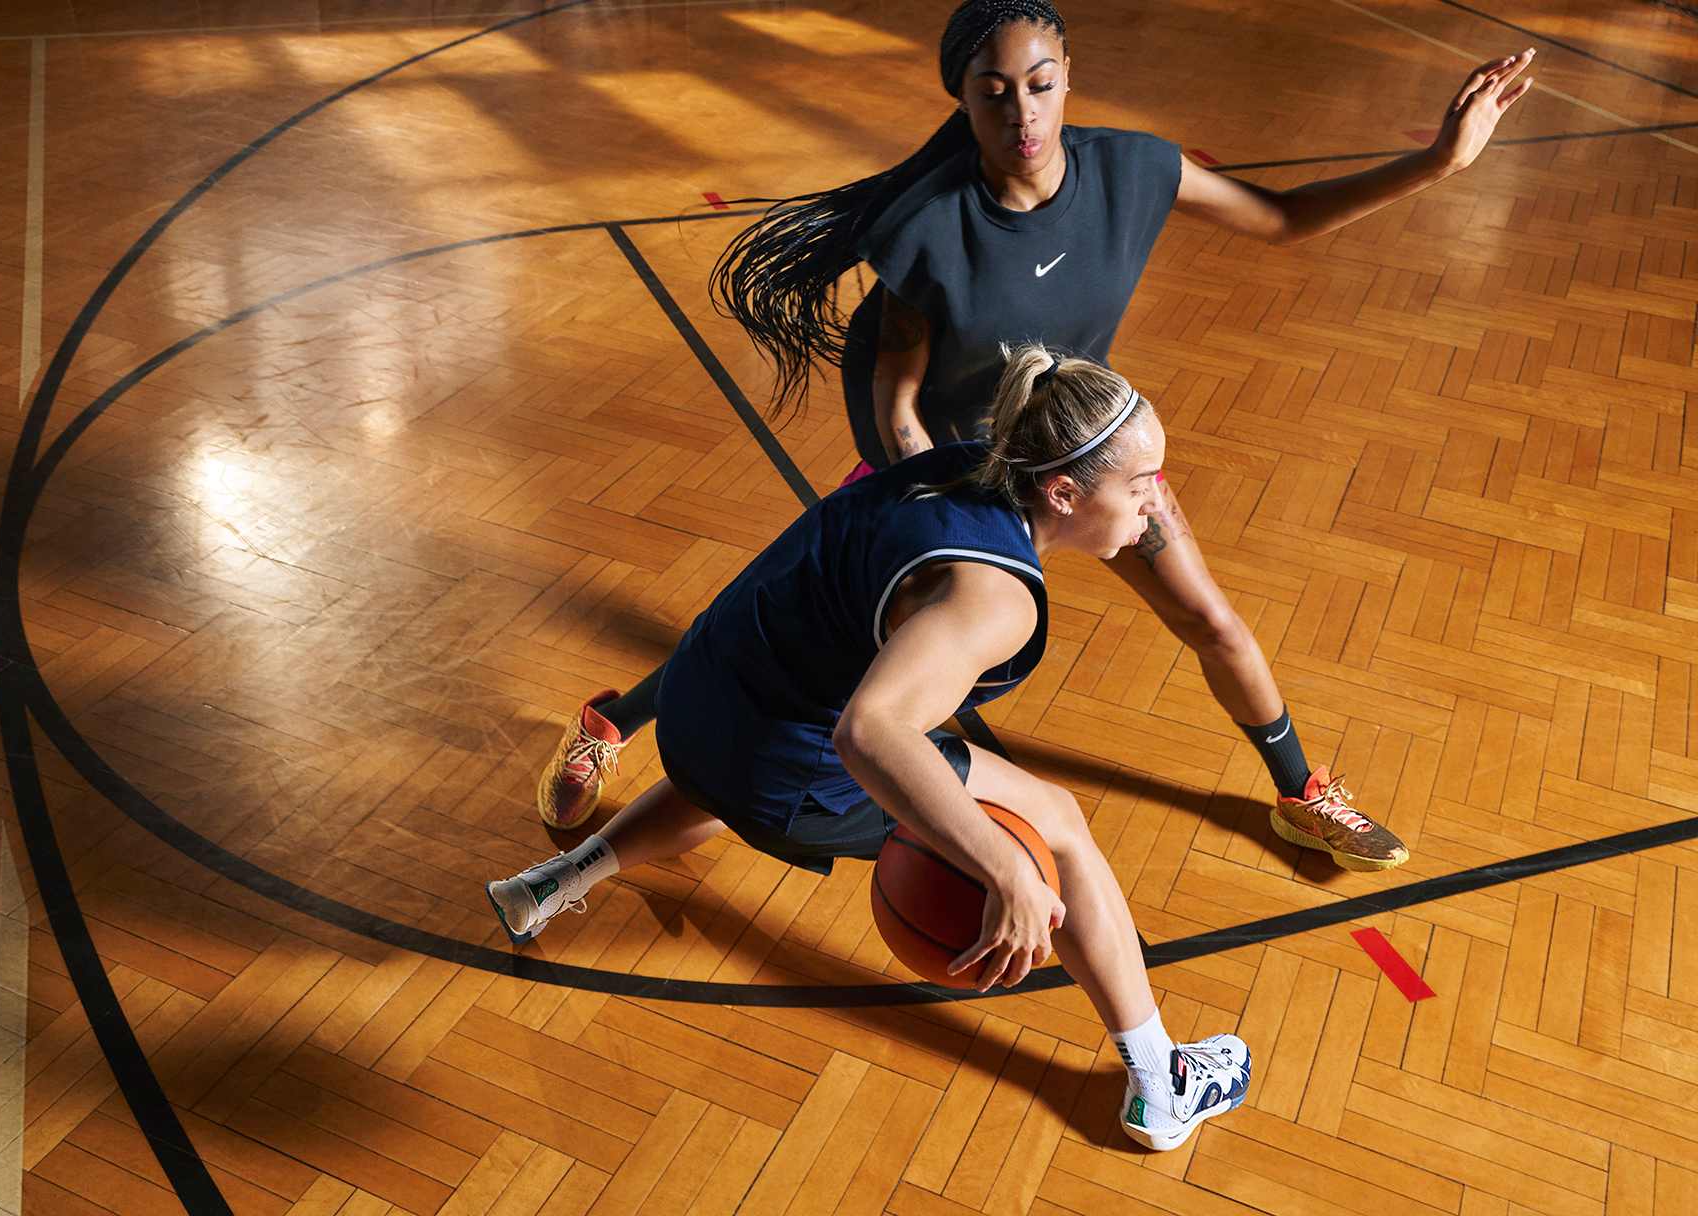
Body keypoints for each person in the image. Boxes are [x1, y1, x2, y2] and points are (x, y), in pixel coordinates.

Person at [534, 0, 1535, 870]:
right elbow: (898, 401)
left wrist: (1440, 163)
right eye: (994, 91)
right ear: (963, 98)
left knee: (1212, 620)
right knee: (792, 618)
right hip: (953, 466)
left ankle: (1299, 791)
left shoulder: (1136, 169)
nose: (1023, 113)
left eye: (1041, 85)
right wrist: (930, 524)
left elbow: (1280, 217)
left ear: (1069, 81)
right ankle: (610, 722)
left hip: (1079, 444)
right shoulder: (930, 224)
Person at [492, 349, 1250, 1152]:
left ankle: (545, 886)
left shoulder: (961, 468)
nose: (1157, 507)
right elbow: (869, 733)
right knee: (1056, 819)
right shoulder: (995, 601)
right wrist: (1002, 867)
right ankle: (1162, 1083)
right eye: (1140, 487)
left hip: (695, 702)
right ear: (1062, 492)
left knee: (761, 741)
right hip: (778, 766)